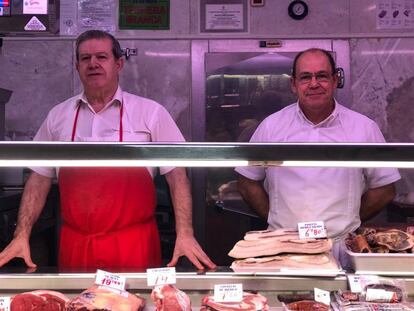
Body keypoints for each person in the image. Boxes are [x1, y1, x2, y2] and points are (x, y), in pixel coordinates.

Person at [0, 30, 215, 271]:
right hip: (76, 244)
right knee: (76, 307)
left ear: (119, 63)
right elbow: (39, 179)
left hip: (133, 244)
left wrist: (184, 233)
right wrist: (21, 234)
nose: (93, 64)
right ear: (77, 66)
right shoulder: (58, 116)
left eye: (101, 57)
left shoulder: (150, 112)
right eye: (85, 58)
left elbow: (177, 176)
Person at [235, 48, 401, 267]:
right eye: (305, 77)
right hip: (283, 247)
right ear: (294, 84)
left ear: (334, 80)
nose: (314, 84)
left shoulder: (363, 128)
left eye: (321, 76)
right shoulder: (271, 127)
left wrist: (349, 219)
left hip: (340, 249)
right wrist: (275, 219)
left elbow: (385, 188)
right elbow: (247, 183)